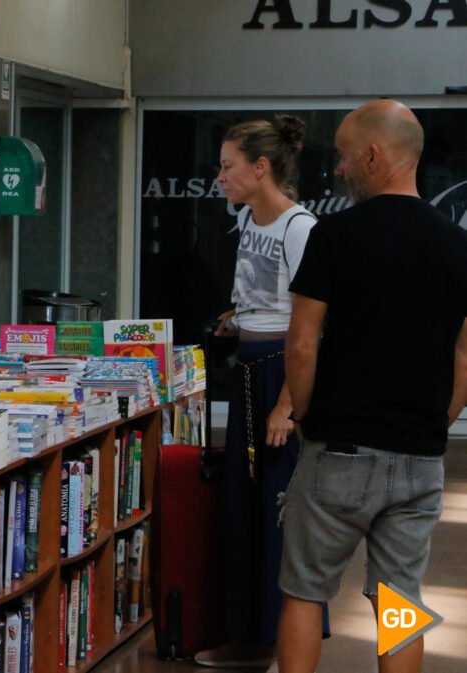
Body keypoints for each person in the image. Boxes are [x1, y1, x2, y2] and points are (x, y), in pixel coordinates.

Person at [280, 99, 467, 673]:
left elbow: (303, 343)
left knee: (306, 590)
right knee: (399, 599)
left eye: (341, 156)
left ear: (372, 153)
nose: (336, 169)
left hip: (337, 448)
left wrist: (306, 416)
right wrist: (436, 422)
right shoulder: (459, 245)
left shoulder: (335, 235)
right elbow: (465, 355)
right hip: (418, 454)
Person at [195, 114, 328, 671]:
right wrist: (237, 315)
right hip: (249, 364)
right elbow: (265, 296)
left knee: (281, 513)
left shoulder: (301, 228)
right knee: (241, 508)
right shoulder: (250, 220)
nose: (220, 177)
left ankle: (285, 644)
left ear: (260, 166)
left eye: (228, 167)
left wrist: (287, 404)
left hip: (281, 374)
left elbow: (313, 325)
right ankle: (247, 635)